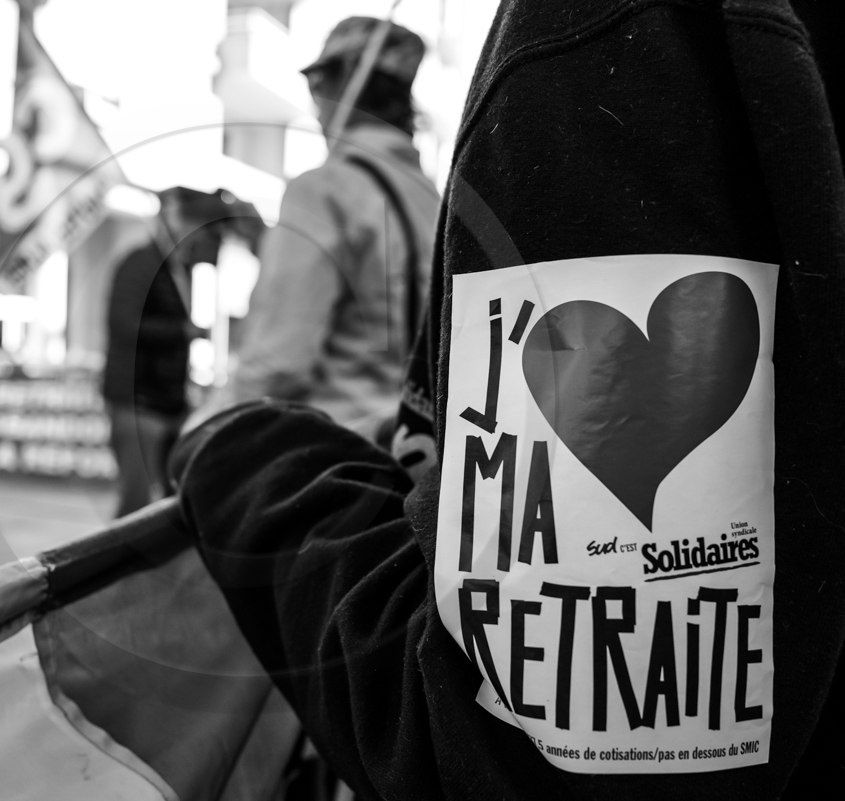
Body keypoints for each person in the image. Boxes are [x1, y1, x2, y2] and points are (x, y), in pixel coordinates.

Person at [170, 1, 845, 798]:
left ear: (329, 95)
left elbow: (518, 748)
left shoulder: (593, 47)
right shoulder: (423, 194)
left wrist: (219, 445)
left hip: (372, 522)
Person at [198, 17, 439, 441]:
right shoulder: (432, 201)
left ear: (345, 81)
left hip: (328, 461)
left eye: (317, 85)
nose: (315, 107)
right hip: (415, 460)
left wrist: (200, 434)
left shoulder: (323, 190)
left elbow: (278, 363)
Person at [102, 187, 228, 518]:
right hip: (139, 401)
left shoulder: (179, 269)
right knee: (135, 506)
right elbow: (123, 324)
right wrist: (183, 332)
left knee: (165, 503)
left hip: (167, 401)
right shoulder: (141, 263)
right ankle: (123, 570)